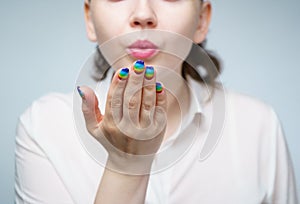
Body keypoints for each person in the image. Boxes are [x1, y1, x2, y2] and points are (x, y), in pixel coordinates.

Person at [15, 0, 298, 203]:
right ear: (89, 18)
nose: (143, 14)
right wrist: (126, 163)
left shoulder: (258, 125)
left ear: (201, 20)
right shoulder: (44, 127)